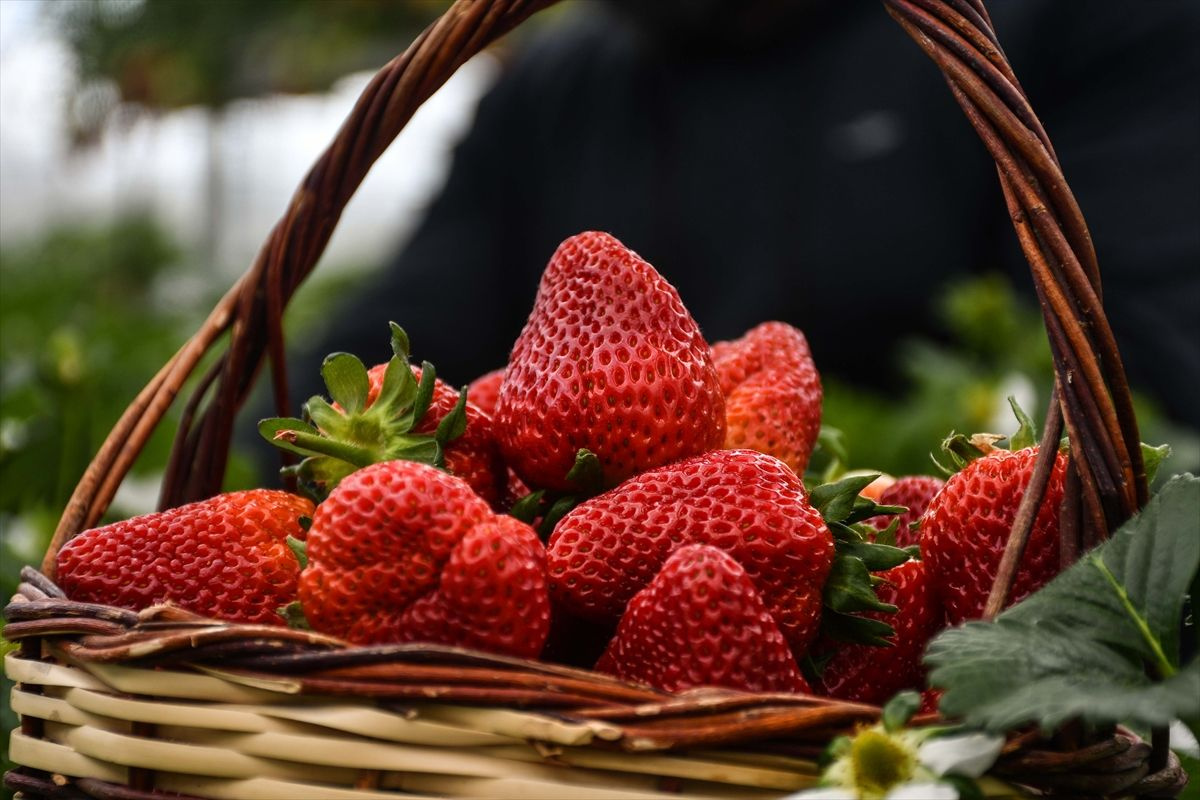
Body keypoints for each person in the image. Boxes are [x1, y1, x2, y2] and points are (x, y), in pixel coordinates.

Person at [296, 0, 1200, 430]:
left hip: (944, 643)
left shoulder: (1064, 28)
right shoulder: (552, 91)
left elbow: (1146, 378)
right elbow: (375, 349)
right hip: (591, 686)